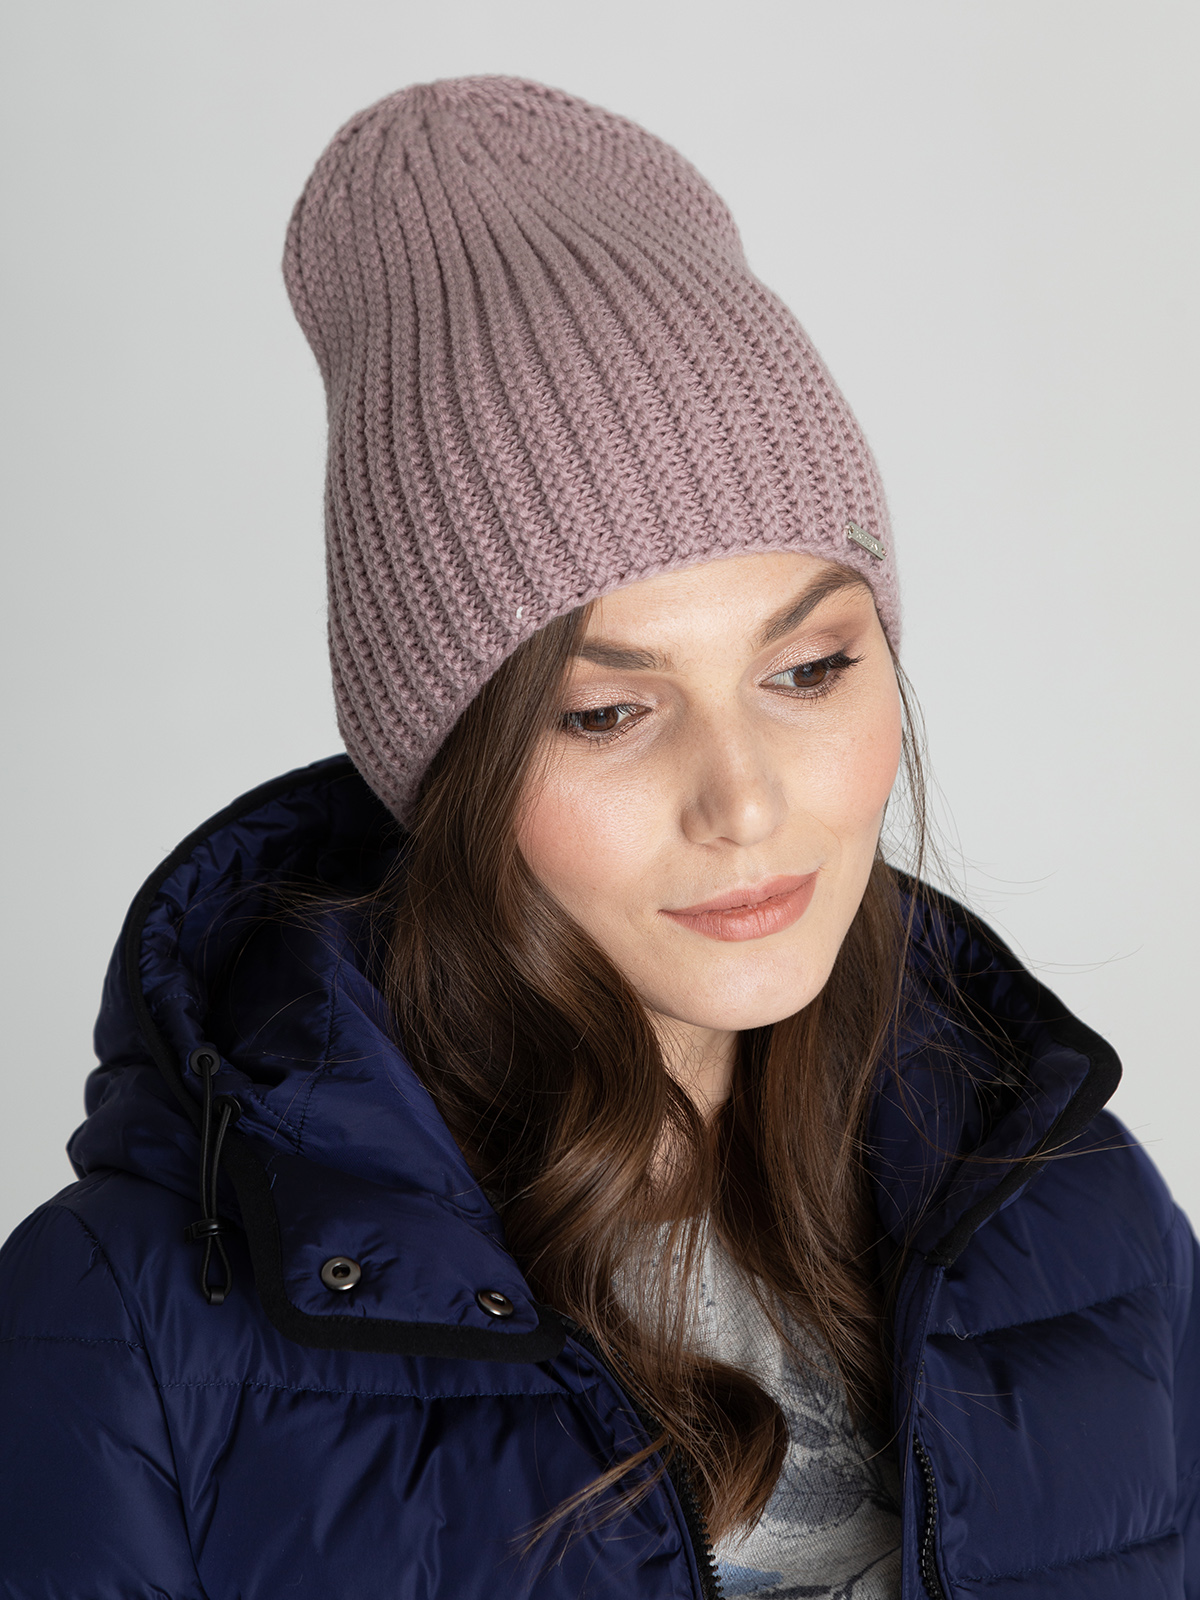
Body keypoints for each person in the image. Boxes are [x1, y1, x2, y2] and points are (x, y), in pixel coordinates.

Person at [0, 75, 1195, 1600]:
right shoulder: (124, 1326)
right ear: (448, 775)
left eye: (808, 670)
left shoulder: (1076, 1214)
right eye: (607, 713)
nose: (744, 801)